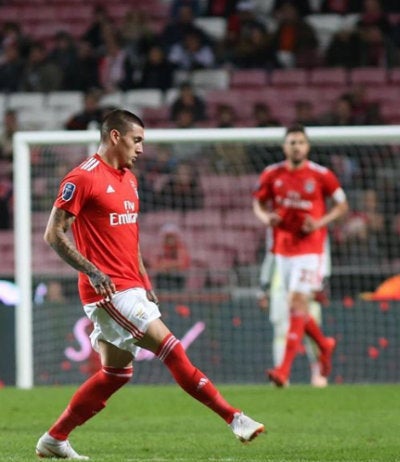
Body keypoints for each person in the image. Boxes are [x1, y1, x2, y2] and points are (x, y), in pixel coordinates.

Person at [35, 109, 264, 459]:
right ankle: (234, 418)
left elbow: (131, 237)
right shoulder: (83, 178)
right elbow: (54, 233)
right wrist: (94, 271)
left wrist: (145, 279)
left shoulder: (129, 179)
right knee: (172, 349)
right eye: (137, 140)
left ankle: (54, 439)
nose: (142, 149)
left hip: (132, 286)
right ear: (115, 136)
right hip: (108, 292)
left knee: (115, 374)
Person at [252, 124, 349, 387]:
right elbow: (258, 204)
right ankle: (324, 345)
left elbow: (342, 205)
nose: (296, 146)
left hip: (310, 249)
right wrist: (266, 218)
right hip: (283, 250)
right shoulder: (272, 174)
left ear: (307, 146)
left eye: (300, 142)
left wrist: (319, 223)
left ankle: (283, 371)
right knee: (298, 308)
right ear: (285, 146)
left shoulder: (322, 175)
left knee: (296, 302)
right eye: (292, 142)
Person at [257, 228, 332, 387]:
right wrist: (264, 286)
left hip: (308, 276)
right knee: (281, 330)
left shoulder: (313, 218)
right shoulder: (276, 221)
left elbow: (323, 248)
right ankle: (282, 374)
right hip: (280, 284)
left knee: (306, 323)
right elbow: (272, 253)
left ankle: (317, 373)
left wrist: (323, 279)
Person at [151, 223, 191, 290]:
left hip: (177, 278)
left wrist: (165, 264)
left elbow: (182, 263)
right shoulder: (160, 248)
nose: (170, 239)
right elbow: (154, 265)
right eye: (168, 237)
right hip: (162, 278)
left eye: (172, 237)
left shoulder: (181, 248)